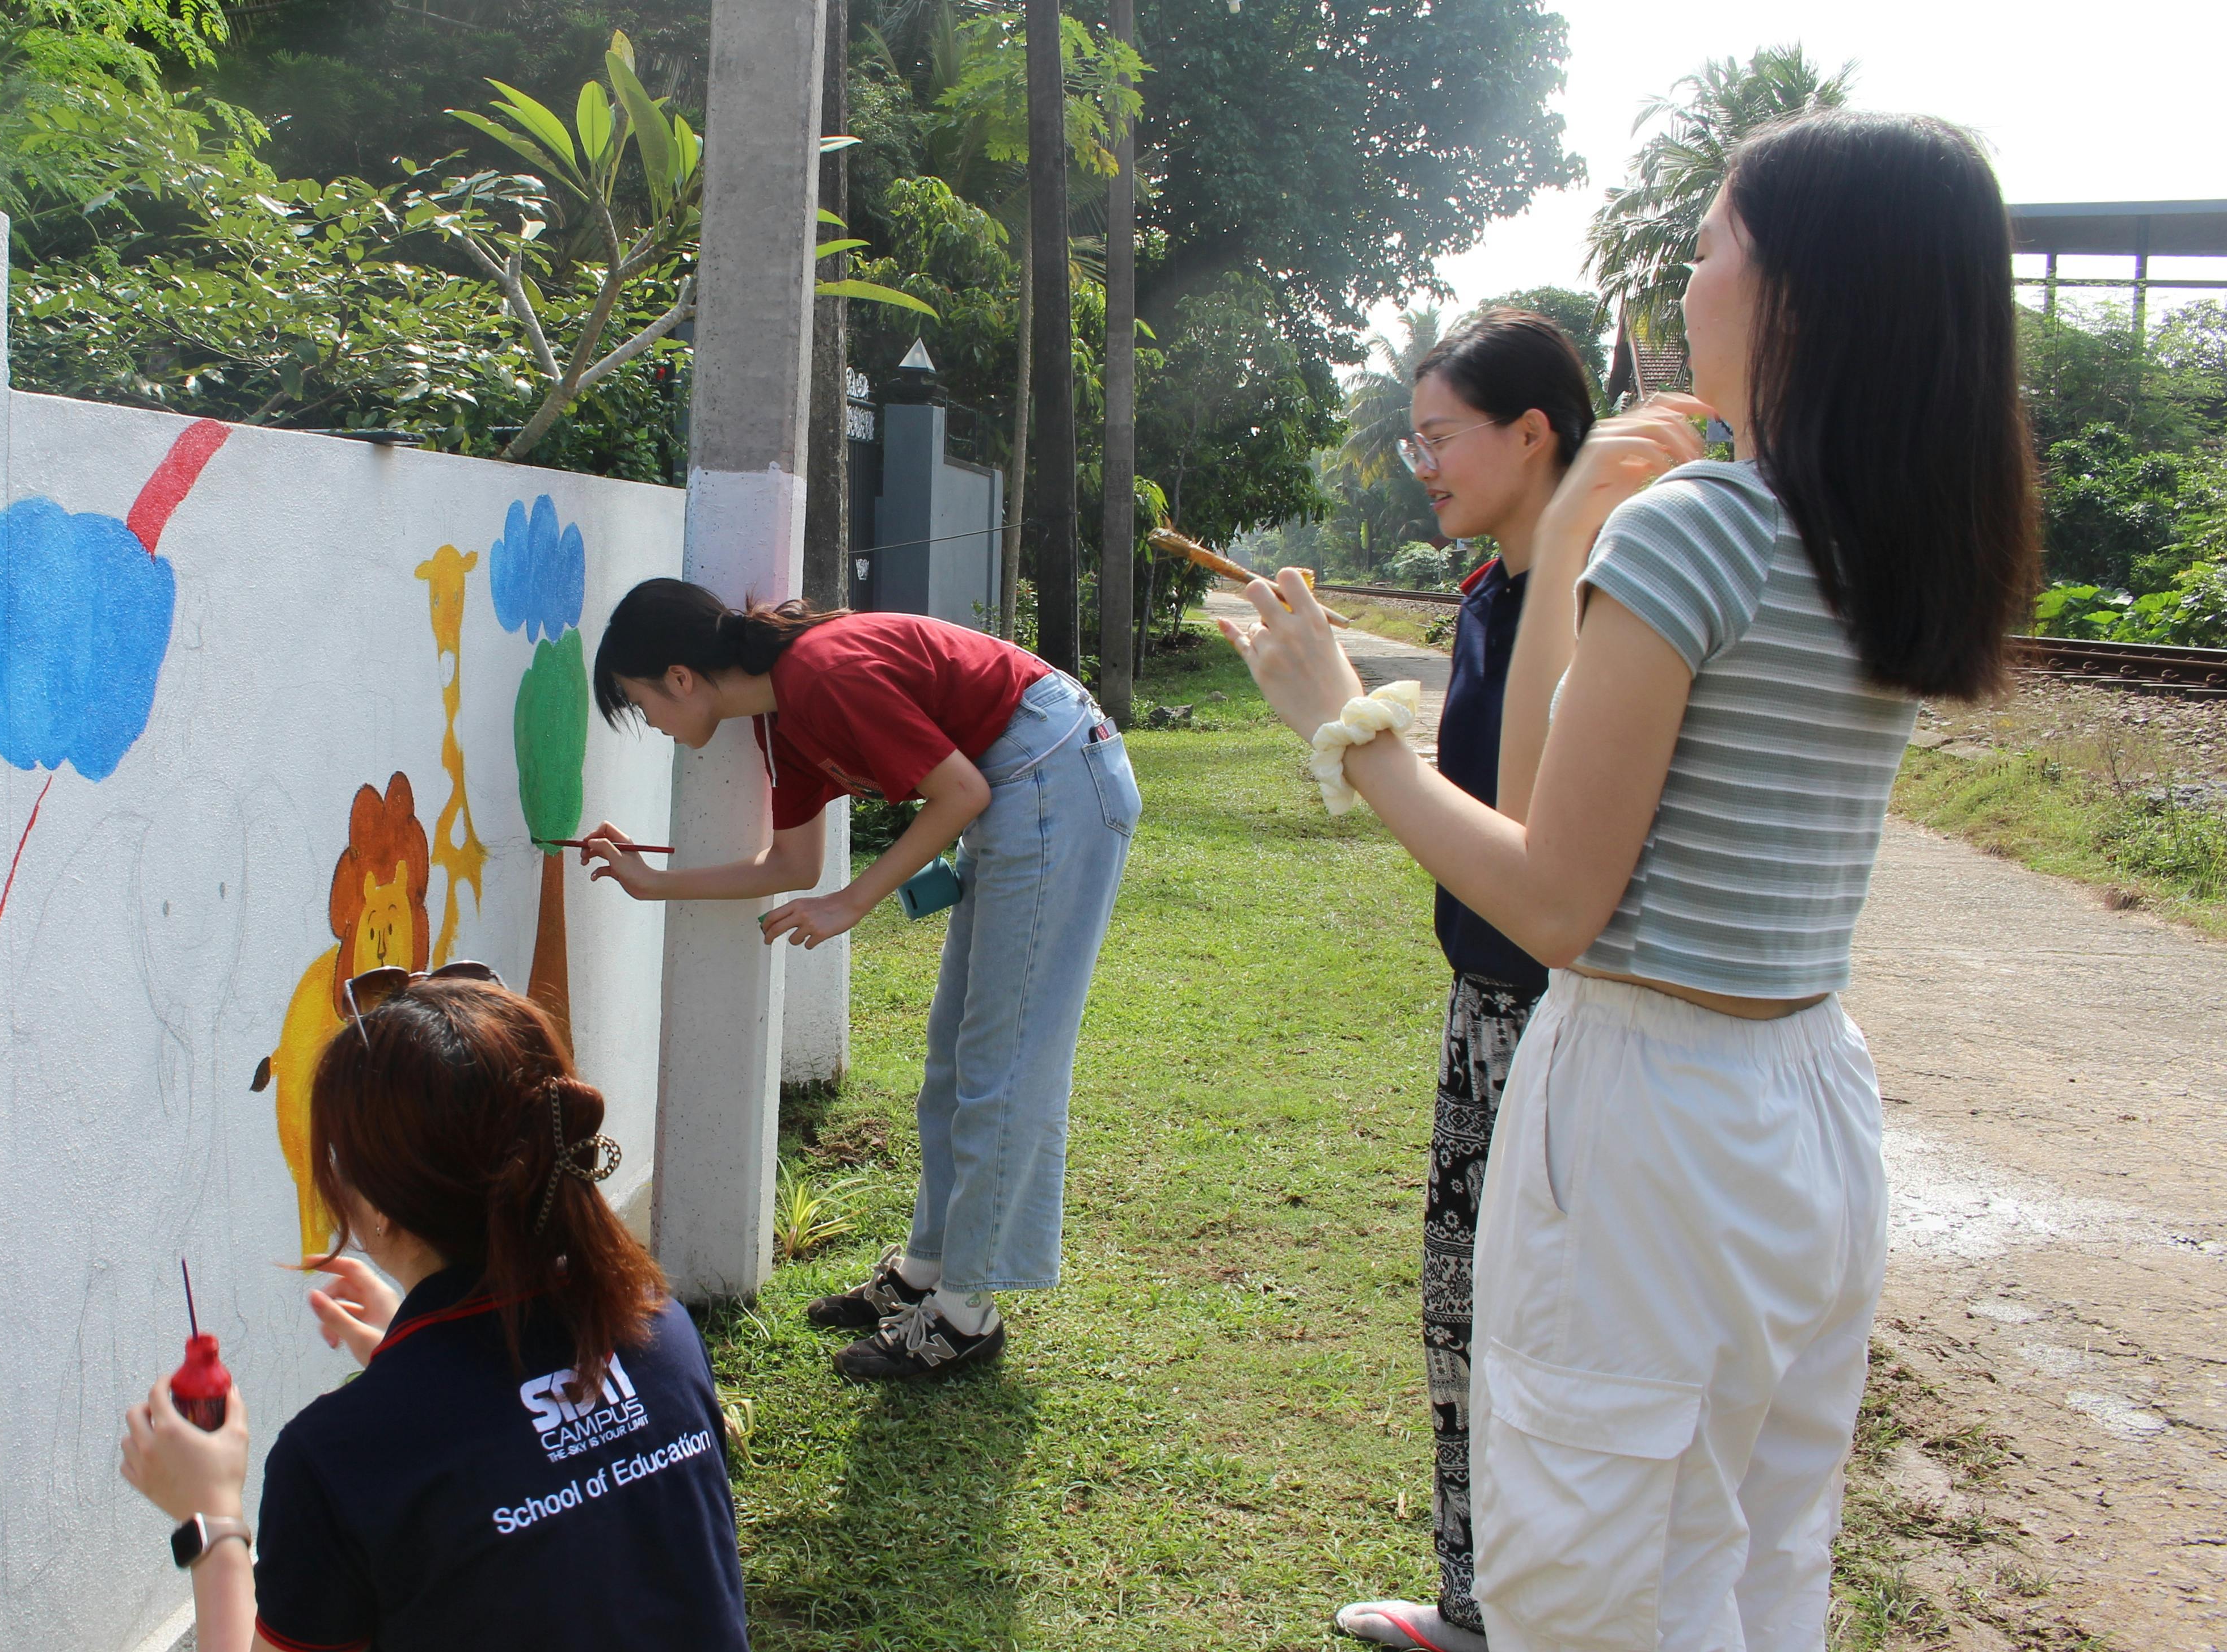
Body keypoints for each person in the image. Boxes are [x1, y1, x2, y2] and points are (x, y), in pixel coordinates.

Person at [1224, 109, 2035, 1647]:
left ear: (1797, 289)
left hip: (1652, 1121)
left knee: (1588, 1580)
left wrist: (1346, 726)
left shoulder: (1706, 531)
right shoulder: (1885, 536)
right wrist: (1586, 517)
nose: (1689, 276)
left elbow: (1547, 895)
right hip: (1807, 1105)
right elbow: (1549, 800)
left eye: (1715, 241)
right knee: (1755, 1555)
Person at [583, 582, 1139, 1380]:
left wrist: (853, 902)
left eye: (644, 707)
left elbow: (961, 792)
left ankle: (964, 1316)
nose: (660, 731)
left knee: (1003, 1063)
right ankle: (925, 1273)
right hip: (1023, 788)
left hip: (1055, 779)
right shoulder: (778, 718)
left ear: (679, 677)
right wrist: (650, 881)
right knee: (955, 1056)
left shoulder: (821, 675)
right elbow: (790, 865)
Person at [117, 967, 748, 1652]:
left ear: (378, 1206)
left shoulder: (338, 1456)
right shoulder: (658, 1329)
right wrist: (420, 1366)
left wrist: (210, 1518)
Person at [1333, 309, 1596, 1652]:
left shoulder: (1603, 600)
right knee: (1462, 1315)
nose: (1417, 463)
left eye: (1437, 437)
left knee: (1554, 1346)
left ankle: (1546, 1617)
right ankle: (1475, 1605)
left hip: (1573, 1030)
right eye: (1412, 437)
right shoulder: (1494, 591)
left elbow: (1552, 853)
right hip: (1480, 1009)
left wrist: (1350, 733)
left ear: (1531, 433)